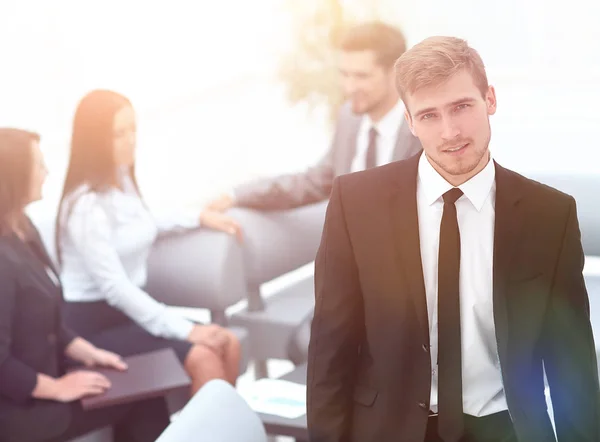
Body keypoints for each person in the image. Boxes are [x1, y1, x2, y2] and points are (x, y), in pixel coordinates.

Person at [306, 36, 599, 442]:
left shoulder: (550, 215)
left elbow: (573, 365)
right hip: (386, 430)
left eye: (462, 106)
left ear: (490, 100)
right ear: (410, 122)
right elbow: (329, 352)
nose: (450, 132)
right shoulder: (355, 203)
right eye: (429, 115)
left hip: (505, 427)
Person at [55, 90, 241, 395]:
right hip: (94, 327)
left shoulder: (121, 179)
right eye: (118, 134)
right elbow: (115, 288)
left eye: (133, 130)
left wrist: (199, 217)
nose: (130, 140)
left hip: (128, 313)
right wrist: (187, 330)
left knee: (228, 343)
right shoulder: (85, 206)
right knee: (204, 356)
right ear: (95, 141)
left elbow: (144, 220)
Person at [0, 128, 170, 442]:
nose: (46, 172)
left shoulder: (23, 228)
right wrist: (57, 388)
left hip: (49, 377)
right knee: (143, 401)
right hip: (20, 410)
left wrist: (90, 352)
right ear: (13, 176)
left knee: (142, 384)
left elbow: (46, 322)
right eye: (38, 165)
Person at [203, 21, 422, 227]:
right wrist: (235, 196)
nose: (348, 87)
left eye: (361, 76)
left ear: (396, 72)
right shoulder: (350, 119)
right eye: (344, 75)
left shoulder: (424, 128)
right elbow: (312, 182)